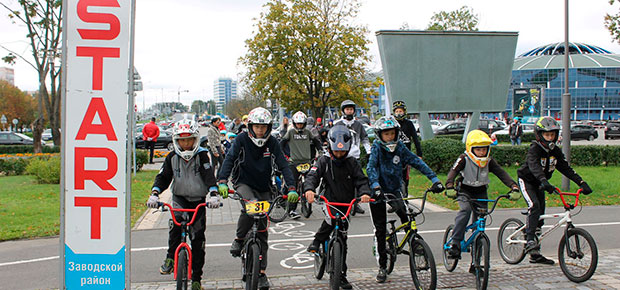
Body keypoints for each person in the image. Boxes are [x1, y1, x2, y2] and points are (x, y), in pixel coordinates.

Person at [217, 107, 298, 290]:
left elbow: (284, 165)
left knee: (262, 230)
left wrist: (292, 187)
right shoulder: (241, 140)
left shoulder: (273, 143)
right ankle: (239, 239)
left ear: (268, 127)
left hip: (264, 186)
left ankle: (261, 273)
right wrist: (222, 181)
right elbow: (229, 159)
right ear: (250, 126)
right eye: (256, 127)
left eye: (263, 127)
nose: (260, 131)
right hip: (243, 182)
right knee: (250, 206)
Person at [366, 116, 445, 283]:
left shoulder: (400, 148)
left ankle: (415, 246)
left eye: (393, 134)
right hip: (378, 191)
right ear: (380, 135)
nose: (390, 137)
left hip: (394, 190)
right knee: (380, 230)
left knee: (407, 218)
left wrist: (435, 180)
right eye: (386, 134)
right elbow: (371, 167)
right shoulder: (376, 148)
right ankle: (382, 265)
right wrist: (375, 186)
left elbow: (416, 161)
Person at [146, 119, 219, 290]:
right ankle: (170, 257)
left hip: (198, 201)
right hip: (179, 198)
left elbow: (209, 175)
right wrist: (155, 193)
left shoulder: (201, 155)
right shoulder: (172, 157)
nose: (186, 144)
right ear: (176, 141)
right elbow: (163, 177)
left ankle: (196, 279)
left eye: (189, 140)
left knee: (198, 239)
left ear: (195, 139)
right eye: (182, 140)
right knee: (175, 228)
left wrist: (214, 193)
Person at [517, 116, 592, 265]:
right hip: (527, 181)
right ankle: (530, 239)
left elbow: (565, 168)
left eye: (552, 135)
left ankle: (535, 254)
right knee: (534, 206)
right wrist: (544, 181)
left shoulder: (555, 151)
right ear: (539, 135)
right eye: (547, 135)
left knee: (540, 216)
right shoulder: (535, 149)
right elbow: (534, 167)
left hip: (541, 184)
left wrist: (581, 183)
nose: (550, 138)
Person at [304, 124, 372, 289]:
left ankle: (341, 275)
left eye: (343, 151)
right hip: (329, 200)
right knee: (330, 220)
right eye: (337, 151)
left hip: (347, 203)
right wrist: (310, 189)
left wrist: (364, 193)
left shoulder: (352, 163)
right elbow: (312, 176)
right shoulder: (324, 161)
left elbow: (361, 180)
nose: (339, 154)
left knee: (342, 239)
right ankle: (318, 240)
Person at [445, 130, 520, 263]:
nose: (481, 153)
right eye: (478, 150)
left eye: (484, 150)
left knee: (480, 221)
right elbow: (453, 171)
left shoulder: (489, 161)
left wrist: (513, 186)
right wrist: (449, 185)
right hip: (464, 191)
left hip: (480, 192)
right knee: (465, 211)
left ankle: (476, 259)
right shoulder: (464, 158)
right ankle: (455, 242)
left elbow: (501, 173)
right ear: (470, 149)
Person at [280, 111, 323, 219]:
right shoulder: (290, 132)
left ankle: (308, 201)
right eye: (297, 124)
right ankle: (291, 210)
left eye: (301, 124)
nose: (299, 126)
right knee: (293, 185)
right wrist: (284, 156)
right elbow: (281, 143)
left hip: (307, 162)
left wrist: (321, 151)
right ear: (294, 123)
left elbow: (316, 141)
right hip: (294, 162)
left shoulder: (308, 132)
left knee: (310, 181)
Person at [335, 99, 371, 215]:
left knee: (357, 181)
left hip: (355, 156)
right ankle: (343, 203)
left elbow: (365, 139)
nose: (349, 111)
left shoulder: (358, 125)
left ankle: (355, 204)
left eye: (351, 109)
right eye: (347, 109)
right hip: (342, 156)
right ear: (343, 111)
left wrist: (369, 152)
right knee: (342, 181)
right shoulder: (338, 125)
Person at [391, 101, 423, 203]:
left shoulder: (408, 124)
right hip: (393, 154)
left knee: (405, 178)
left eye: (400, 111)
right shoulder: (392, 123)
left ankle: (405, 199)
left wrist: (419, 154)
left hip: (405, 155)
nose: (399, 113)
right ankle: (395, 200)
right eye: (397, 111)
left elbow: (415, 139)